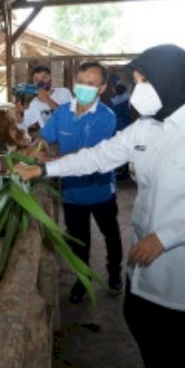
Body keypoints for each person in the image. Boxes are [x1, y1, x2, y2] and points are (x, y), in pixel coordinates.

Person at [17, 44, 185, 367]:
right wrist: (44, 169)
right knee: (139, 321)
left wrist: (165, 237)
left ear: (170, 80)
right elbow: (98, 156)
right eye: (137, 82)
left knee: (178, 345)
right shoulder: (147, 126)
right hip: (145, 252)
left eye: (144, 82)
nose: (137, 90)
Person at [40, 61, 123, 301]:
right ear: (74, 83)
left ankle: (114, 274)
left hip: (100, 191)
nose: (85, 87)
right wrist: (36, 146)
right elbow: (45, 139)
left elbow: (89, 155)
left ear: (102, 88)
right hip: (72, 193)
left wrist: (50, 159)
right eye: (81, 82)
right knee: (79, 239)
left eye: (92, 84)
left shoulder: (106, 117)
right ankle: (82, 279)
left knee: (110, 233)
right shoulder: (62, 112)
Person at [16, 65, 72, 131]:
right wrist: (19, 113)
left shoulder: (63, 92)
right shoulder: (35, 103)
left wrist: (47, 99)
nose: (40, 82)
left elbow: (68, 116)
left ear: (50, 79)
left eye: (44, 78)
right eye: (36, 80)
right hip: (50, 139)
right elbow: (22, 124)